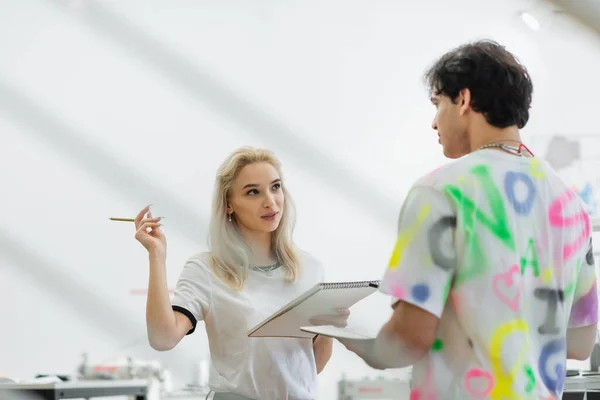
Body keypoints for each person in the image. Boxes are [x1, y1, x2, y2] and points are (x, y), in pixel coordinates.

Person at [337, 40, 598, 399]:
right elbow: (581, 343)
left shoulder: (441, 191)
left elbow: (408, 339)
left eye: (437, 104)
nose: (433, 122)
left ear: (463, 99)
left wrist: (355, 342)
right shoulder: (572, 205)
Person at [134, 147, 349, 400]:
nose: (270, 201)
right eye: (253, 192)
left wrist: (329, 330)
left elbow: (311, 368)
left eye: (275, 187)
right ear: (229, 205)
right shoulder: (206, 270)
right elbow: (163, 338)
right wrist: (156, 256)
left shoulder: (311, 269)